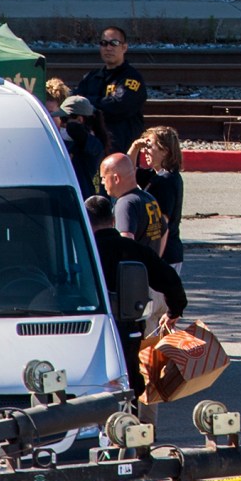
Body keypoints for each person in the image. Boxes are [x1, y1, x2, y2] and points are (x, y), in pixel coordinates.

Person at [85, 193, 187, 395]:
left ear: (86, 222)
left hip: (90, 330)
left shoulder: (83, 253)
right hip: (129, 330)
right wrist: (174, 311)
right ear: (113, 220)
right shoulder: (136, 250)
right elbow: (171, 281)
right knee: (130, 381)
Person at [79, 27, 148, 153]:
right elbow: (76, 103)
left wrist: (89, 103)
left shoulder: (131, 78)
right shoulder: (90, 77)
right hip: (92, 148)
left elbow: (119, 106)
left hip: (120, 149)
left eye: (114, 43)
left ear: (124, 48)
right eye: (104, 43)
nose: (108, 48)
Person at [132, 126, 186, 267]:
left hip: (165, 254)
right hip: (163, 253)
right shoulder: (156, 175)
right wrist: (135, 147)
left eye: (149, 147)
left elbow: (162, 224)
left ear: (165, 151)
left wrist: (155, 260)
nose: (145, 151)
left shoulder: (165, 181)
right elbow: (128, 173)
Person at [100, 152, 167, 256]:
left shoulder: (125, 204)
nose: (102, 183)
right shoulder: (149, 198)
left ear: (116, 179)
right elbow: (164, 231)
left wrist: (127, 269)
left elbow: (126, 242)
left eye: (104, 177)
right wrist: (156, 261)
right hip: (149, 270)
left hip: (134, 271)